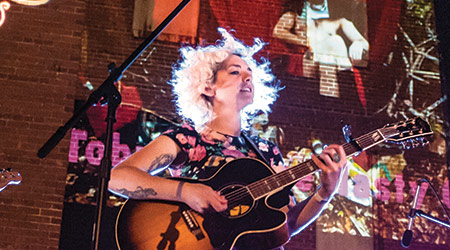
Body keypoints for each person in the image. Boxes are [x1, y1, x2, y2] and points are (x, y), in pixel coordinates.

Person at [108, 27, 347, 249]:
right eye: (235, 72)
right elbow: (116, 178)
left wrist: (324, 193)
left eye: (249, 73)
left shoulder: (267, 151)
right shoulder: (188, 138)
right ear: (207, 87)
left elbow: (287, 225)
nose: (247, 77)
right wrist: (185, 192)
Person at [273, 0, 369, 99]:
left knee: (334, 43)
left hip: (334, 67)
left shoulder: (340, 21)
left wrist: (358, 43)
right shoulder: (294, 15)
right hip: (309, 64)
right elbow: (278, 31)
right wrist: (305, 42)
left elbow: (363, 42)